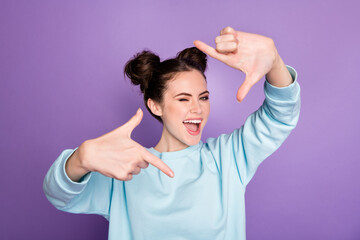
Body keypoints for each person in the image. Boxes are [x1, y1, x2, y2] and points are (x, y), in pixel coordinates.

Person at [43, 26, 301, 240]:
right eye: (183, 99)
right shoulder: (125, 168)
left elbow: (279, 117)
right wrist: (80, 158)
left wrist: (274, 62)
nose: (197, 108)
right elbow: (58, 195)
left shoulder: (228, 158)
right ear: (155, 106)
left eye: (204, 97)